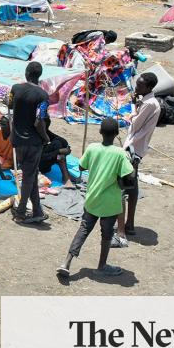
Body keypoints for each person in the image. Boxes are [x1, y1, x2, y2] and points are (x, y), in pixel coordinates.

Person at [57, 119, 135, 279]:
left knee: (84, 229)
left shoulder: (92, 148)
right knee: (106, 235)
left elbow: (80, 167)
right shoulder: (120, 153)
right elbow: (130, 175)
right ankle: (102, 266)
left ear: (100, 132)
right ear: (116, 134)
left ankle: (66, 262)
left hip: (92, 198)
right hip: (110, 203)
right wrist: (132, 160)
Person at [117, 72, 160, 244]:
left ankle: (122, 230)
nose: (137, 87)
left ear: (149, 88)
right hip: (137, 146)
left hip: (133, 147)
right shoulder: (147, 102)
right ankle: (130, 224)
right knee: (132, 184)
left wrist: (132, 111)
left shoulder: (149, 104)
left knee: (123, 187)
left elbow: (134, 124)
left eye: (140, 85)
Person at [7, 61, 50, 224]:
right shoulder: (43, 96)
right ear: (39, 76)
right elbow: (39, 121)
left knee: (29, 174)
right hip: (33, 143)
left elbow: (9, 104)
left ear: (26, 73)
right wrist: (45, 137)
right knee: (28, 177)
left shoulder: (15, 88)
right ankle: (21, 212)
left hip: (17, 141)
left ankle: (37, 210)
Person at [38, 118, 77, 189]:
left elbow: (62, 140)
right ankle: (66, 177)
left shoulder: (43, 131)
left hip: (46, 163)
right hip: (36, 165)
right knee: (57, 145)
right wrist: (58, 151)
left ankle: (66, 176)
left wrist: (67, 148)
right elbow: (38, 157)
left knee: (60, 142)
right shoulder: (32, 135)